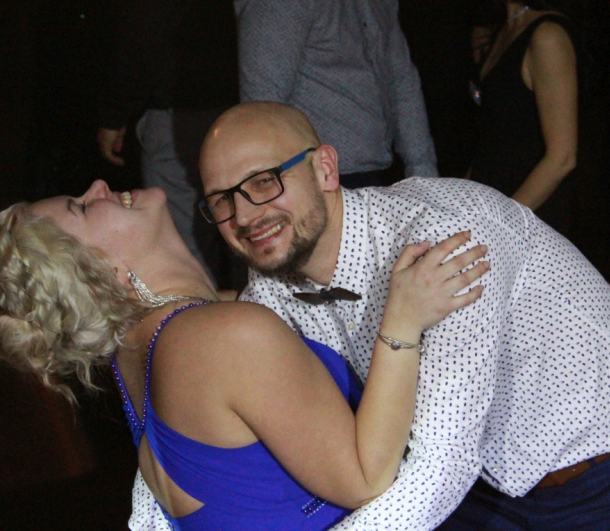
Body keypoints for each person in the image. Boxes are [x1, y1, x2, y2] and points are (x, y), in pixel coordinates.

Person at [126, 101, 610, 531]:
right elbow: (195, 431)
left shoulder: (441, 239)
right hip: (488, 495)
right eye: (222, 199)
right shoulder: (270, 292)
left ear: (324, 169)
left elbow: (439, 465)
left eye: (263, 181)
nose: (246, 214)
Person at [0, 180, 488, 530]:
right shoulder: (217, 339)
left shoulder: (142, 350)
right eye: (84, 207)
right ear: (99, 276)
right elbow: (365, 477)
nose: (99, 186)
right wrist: (403, 321)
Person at [95, 0, 256, 281]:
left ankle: (205, 313)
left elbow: (140, 27)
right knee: (247, 231)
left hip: (180, 108)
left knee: (185, 248)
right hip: (240, 103)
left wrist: (114, 113)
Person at [234, 0, 437, 189]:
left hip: (375, 178)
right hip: (315, 185)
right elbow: (263, 109)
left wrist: (425, 180)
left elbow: (401, 79)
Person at [467, 0, 578, 236]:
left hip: (529, 223)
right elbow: (492, 139)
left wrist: (498, 224)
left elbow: (562, 157)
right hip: (493, 207)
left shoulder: (547, 36)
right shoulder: (504, 31)